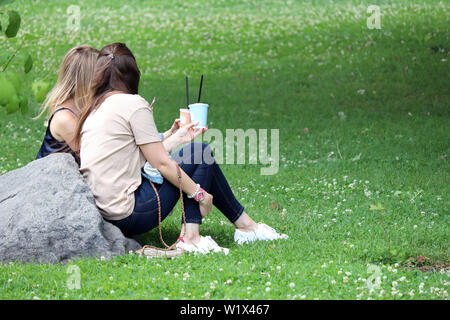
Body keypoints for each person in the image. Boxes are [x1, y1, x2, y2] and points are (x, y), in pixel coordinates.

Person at [75, 42, 288, 254]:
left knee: (198, 155)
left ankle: (247, 227)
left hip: (105, 213)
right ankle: (192, 238)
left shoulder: (94, 107)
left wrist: (177, 137)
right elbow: (160, 163)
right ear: (132, 74)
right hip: (130, 212)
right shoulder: (133, 104)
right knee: (201, 153)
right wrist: (201, 195)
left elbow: (138, 157)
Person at [35, 45, 99, 162]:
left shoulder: (85, 105)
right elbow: (93, 156)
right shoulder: (65, 118)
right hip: (52, 177)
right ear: (87, 80)